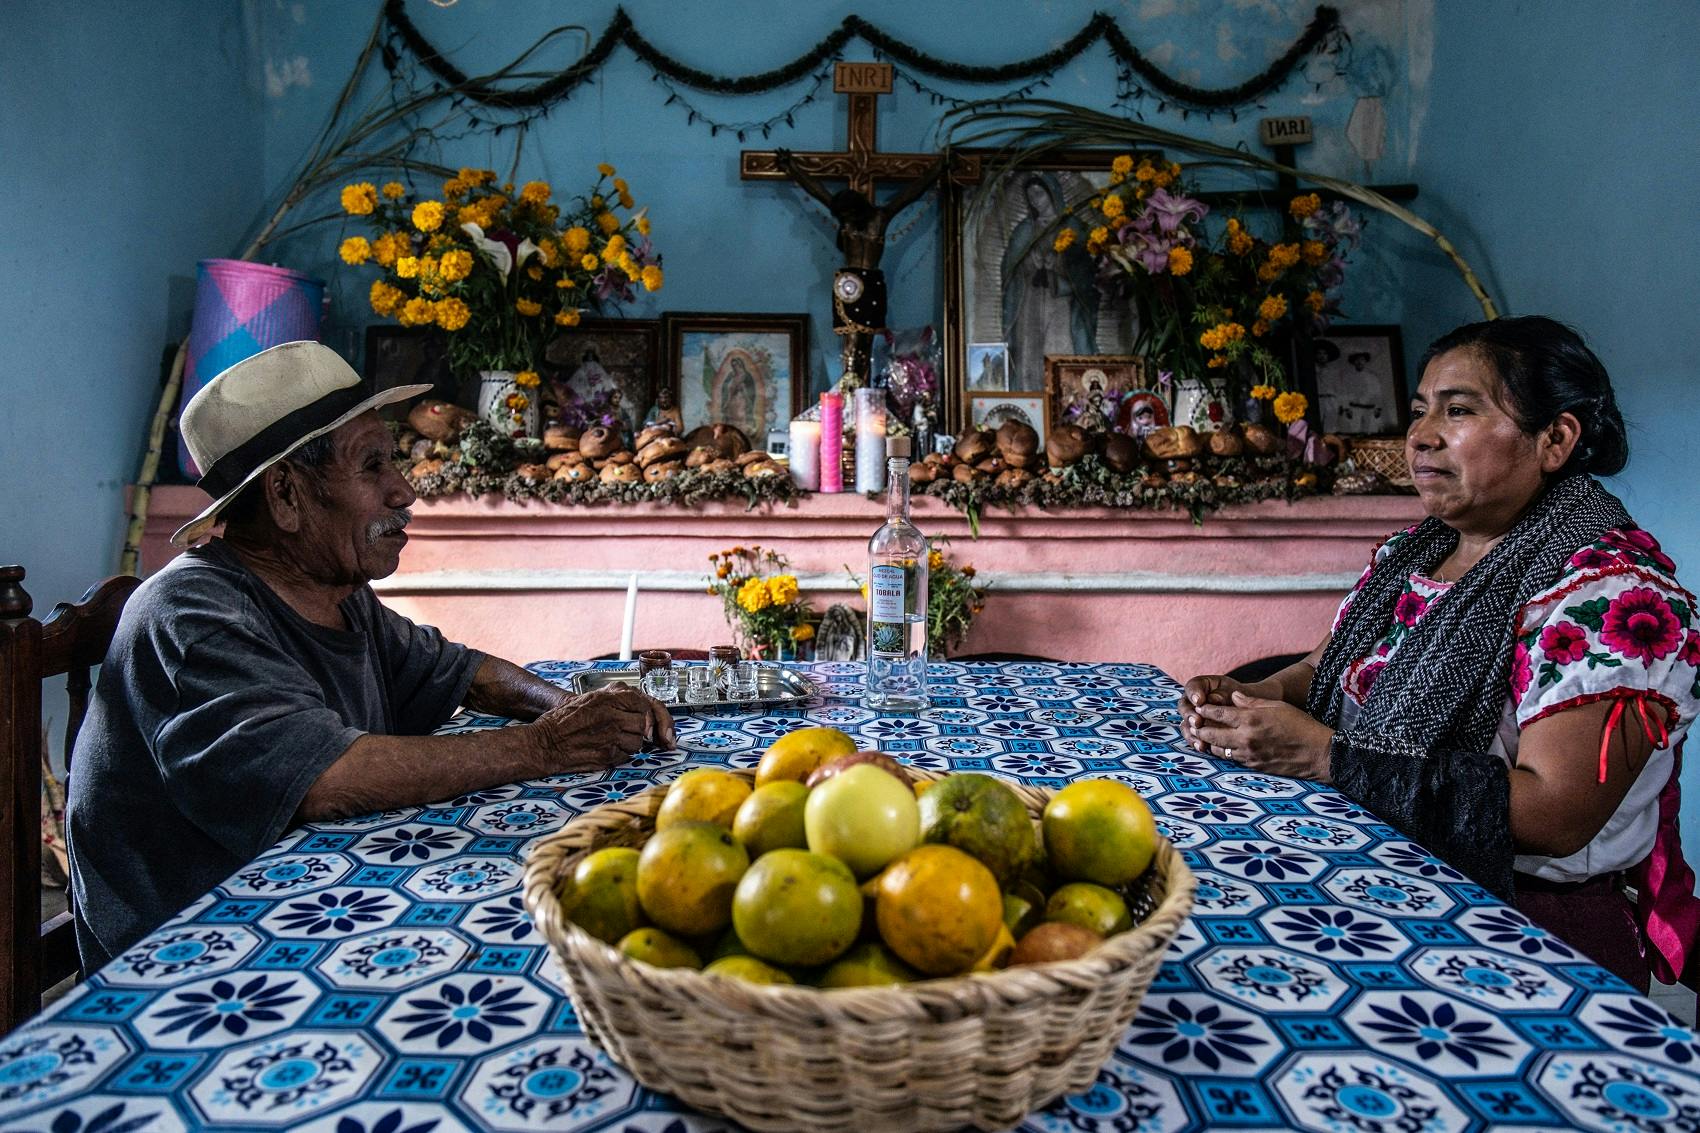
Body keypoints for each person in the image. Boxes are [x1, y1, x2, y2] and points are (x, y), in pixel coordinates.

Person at [66, 342, 674, 968]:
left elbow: (461, 671)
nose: (404, 490)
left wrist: (577, 707)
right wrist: (548, 746)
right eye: (372, 466)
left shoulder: (333, 592)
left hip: (310, 903)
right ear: (285, 495)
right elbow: (326, 778)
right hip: (196, 959)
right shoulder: (196, 615)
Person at [1177, 316, 1698, 992]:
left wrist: (1324, 755)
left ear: (1556, 439)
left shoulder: (1612, 598)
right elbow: (1322, 673)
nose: (1420, 435)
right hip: (1382, 877)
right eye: (1420, 411)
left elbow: (1556, 813)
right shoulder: (1413, 554)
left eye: (1458, 410)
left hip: (1521, 928)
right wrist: (1255, 696)